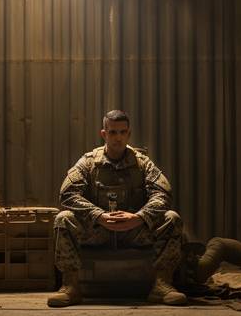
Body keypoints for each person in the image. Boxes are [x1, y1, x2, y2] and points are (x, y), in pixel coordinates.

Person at [47, 110, 187, 307]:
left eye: (122, 132)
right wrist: (98, 216)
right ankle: (71, 287)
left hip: (134, 230)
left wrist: (139, 217)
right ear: (104, 134)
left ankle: (162, 285)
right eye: (113, 132)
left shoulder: (142, 163)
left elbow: (163, 194)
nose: (118, 137)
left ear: (128, 134)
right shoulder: (88, 162)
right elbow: (67, 194)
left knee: (172, 218)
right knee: (63, 218)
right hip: (98, 231)